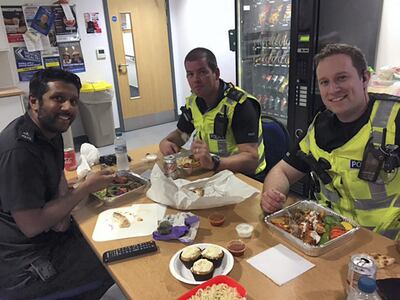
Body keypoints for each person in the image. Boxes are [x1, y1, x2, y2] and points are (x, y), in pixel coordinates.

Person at [261, 43, 400, 240]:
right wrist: (272, 196)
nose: (333, 89)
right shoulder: (319, 125)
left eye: (342, 78)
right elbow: (282, 171)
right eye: (324, 82)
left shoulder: (394, 119)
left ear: (364, 78)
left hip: (384, 245)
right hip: (328, 237)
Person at [0, 68, 116, 298]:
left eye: (73, 101)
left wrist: (64, 215)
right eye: (58, 99)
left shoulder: (51, 130)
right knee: (113, 260)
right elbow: (32, 225)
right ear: (34, 101)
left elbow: (59, 179)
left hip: (50, 236)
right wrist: (85, 188)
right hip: (25, 262)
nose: (68, 108)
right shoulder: (19, 150)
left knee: (105, 234)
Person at [159, 47, 266, 180]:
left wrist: (214, 162)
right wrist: (166, 142)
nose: (195, 80)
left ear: (216, 73)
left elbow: (251, 161)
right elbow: (182, 134)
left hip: (244, 177)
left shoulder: (241, 105)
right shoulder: (194, 101)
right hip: (213, 172)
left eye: (202, 72)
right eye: (190, 74)